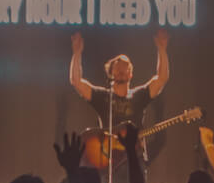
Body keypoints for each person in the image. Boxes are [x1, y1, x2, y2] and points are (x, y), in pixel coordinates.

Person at [67, 29, 169, 171]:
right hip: (108, 161)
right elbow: (76, 81)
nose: (121, 70)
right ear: (111, 73)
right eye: (117, 67)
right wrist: (77, 53)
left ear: (130, 74)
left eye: (125, 67)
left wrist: (162, 50)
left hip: (134, 159)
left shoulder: (139, 96)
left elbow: (161, 78)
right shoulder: (102, 97)